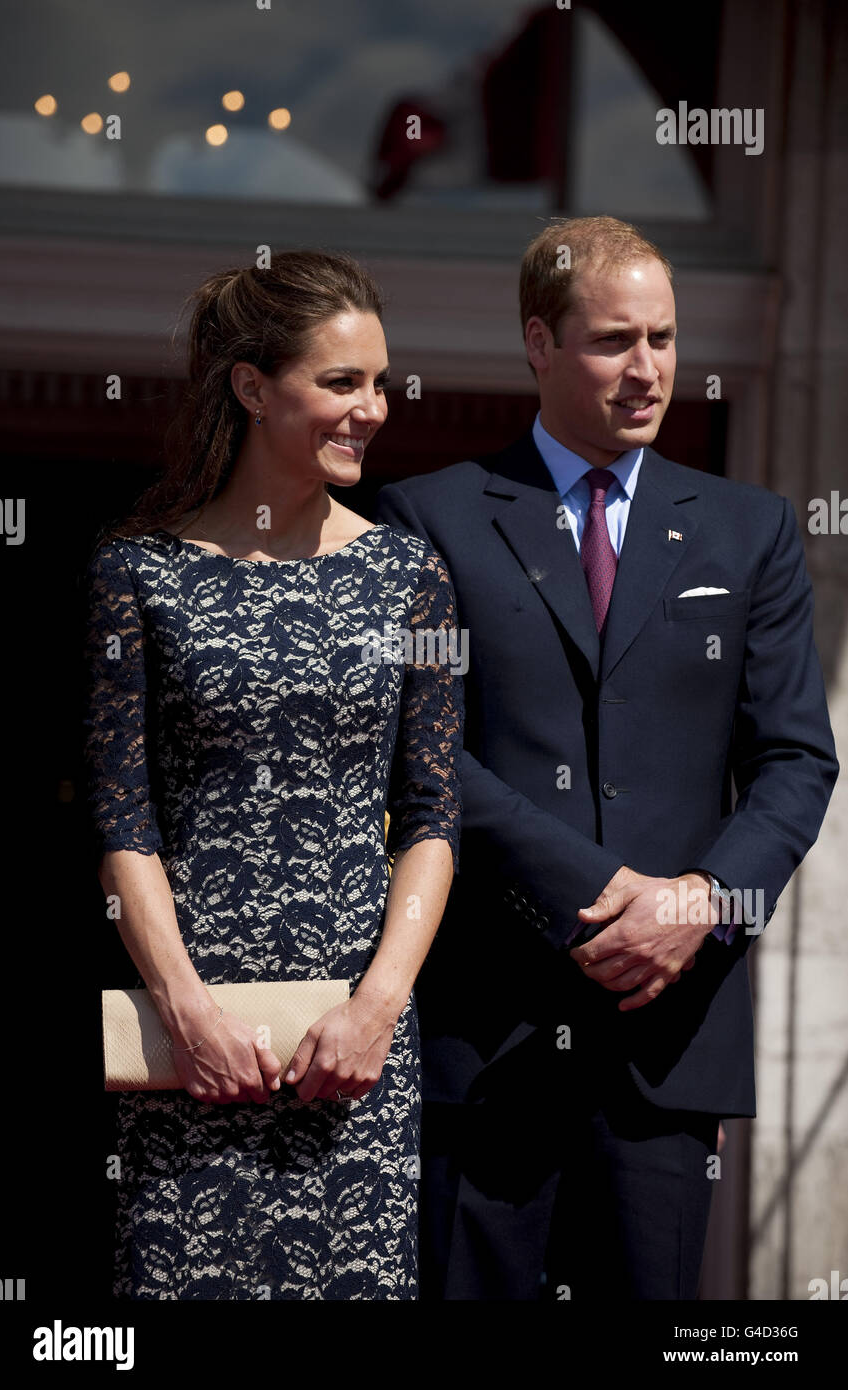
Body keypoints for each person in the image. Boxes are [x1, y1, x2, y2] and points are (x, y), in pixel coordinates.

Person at [374, 215, 838, 1301]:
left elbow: (794, 761)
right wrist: (602, 893)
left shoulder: (748, 528)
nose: (648, 371)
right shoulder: (429, 515)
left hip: (667, 1038)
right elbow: (427, 754)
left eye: (664, 339)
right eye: (613, 340)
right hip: (485, 1034)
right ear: (539, 342)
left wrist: (702, 900)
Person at [81, 252, 463, 1300]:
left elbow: (432, 817)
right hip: (190, 1056)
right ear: (253, 387)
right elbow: (124, 821)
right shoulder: (138, 570)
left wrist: (377, 1006)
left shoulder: (410, 576)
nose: (372, 409)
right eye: (341, 382)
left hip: (354, 1055)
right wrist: (188, 1009)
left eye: (379, 382)